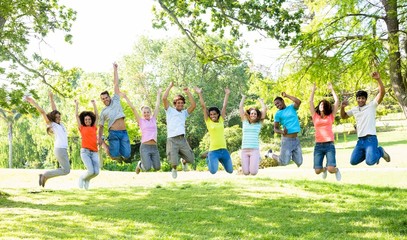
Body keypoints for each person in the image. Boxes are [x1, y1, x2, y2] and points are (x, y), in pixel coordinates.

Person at [340, 72, 391, 165]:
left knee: (370, 162)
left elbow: (382, 93)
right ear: (356, 99)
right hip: (360, 141)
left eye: (363, 98)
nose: (361, 100)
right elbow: (343, 116)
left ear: (366, 99)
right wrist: (342, 107)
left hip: (370, 139)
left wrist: (378, 79)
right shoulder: (354, 110)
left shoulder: (372, 106)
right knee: (353, 161)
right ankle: (372, 154)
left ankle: (379, 151)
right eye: (359, 98)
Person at [25, 92, 70, 187]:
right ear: (53, 118)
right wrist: (33, 102)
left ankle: (45, 176)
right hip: (60, 149)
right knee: (66, 170)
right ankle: (45, 175)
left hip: (62, 149)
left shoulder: (60, 124)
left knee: (66, 170)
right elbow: (42, 112)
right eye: (56, 117)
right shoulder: (52, 125)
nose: (58, 118)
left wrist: (51, 97)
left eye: (59, 116)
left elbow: (55, 109)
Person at [121, 89, 161, 174]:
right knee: (147, 168)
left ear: (150, 112)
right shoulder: (141, 121)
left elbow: (157, 106)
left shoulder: (153, 119)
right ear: (142, 113)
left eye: (148, 112)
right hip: (145, 147)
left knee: (157, 167)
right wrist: (125, 97)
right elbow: (133, 108)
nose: (146, 114)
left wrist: (158, 94)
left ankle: (144, 163)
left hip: (154, 147)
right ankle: (140, 165)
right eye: (144, 112)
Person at [195, 87, 233, 174]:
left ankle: (220, 160)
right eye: (211, 114)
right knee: (213, 171)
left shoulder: (221, 120)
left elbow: (224, 106)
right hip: (213, 151)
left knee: (230, 171)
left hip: (224, 150)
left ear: (218, 114)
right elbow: (203, 107)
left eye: (214, 114)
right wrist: (199, 93)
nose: (212, 116)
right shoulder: (208, 121)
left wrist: (227, 94)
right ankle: (209, 156)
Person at [162, 82, 196, 179]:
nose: (180, 104)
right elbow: (164, 98)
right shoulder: (169, 110)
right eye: (178, 103)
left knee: (191, 159)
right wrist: (170, 86)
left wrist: (188, 92)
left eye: (182, 103)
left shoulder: (184, 113)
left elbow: (193, 105)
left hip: (182, 139)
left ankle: (184, 161)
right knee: (173, 161)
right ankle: (174, 168)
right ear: (175, 104)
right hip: (172, 139)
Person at [98, 62, 131, 161]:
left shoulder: (116, 99)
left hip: (124, 132)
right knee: (114, 156)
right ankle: (104, 143)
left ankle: (117, 149)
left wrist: (115, 70)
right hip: (113, 133)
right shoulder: (103, 112)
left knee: (127, 155)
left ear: (109, 97)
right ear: (101, 100)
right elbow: (101, 126)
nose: (105, 100)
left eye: (106, 97)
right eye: (103, 99)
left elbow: (116, 84)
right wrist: (99, 138)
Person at [310, 83, 341, 181]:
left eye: (324, 104)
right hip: (318, 145)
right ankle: (324, 170)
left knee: (331, 169)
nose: (322, 106)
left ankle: (336, 170)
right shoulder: (315, 116)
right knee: (317, 171)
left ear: (326, 106)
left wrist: (332, 90)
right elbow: (310, 101)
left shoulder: (331, 116)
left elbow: (336, 101)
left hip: (329, 145)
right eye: (320, 104)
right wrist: (313, 90)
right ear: (318, 107)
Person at [75, 99, 100, 190]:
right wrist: (77, 104)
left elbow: (97, 116)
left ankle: (87, 179)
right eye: (86, 119)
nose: (87, 120)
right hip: (85, 152)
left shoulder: (94, 127)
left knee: (96, 172)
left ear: (91, 120)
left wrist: (94, 104)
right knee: (90, 170)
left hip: (94, 152)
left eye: (89, 119)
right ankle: (82, 178)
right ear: (84, 121)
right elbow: (76, 116)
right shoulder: (81, 128)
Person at [273, 92, 303, 167]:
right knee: (284, 162)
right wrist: (282, 132)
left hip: (296, 139)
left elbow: (298, 101)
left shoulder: (292, 108)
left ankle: (291, 152)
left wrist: (287, 96)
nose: (277, 105)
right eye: (275, 104)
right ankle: (270, 154)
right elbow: (275, 128)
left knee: (299, 162)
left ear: (283, 101)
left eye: (278, 103)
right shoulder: (278, 114)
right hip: (287, 140)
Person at [239, 94, 267, 175]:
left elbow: (264, 109)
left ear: (257, 115)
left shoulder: (259, 123)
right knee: (246, 172)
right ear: (249, 114)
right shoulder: (244, 121)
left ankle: (257, 159)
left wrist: (260, 100)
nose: (253, 115)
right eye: (252, 113)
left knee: (253, 172)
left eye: (255, 113)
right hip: (244, 150)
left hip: (254, 150)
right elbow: (240, 108)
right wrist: (243, 98)